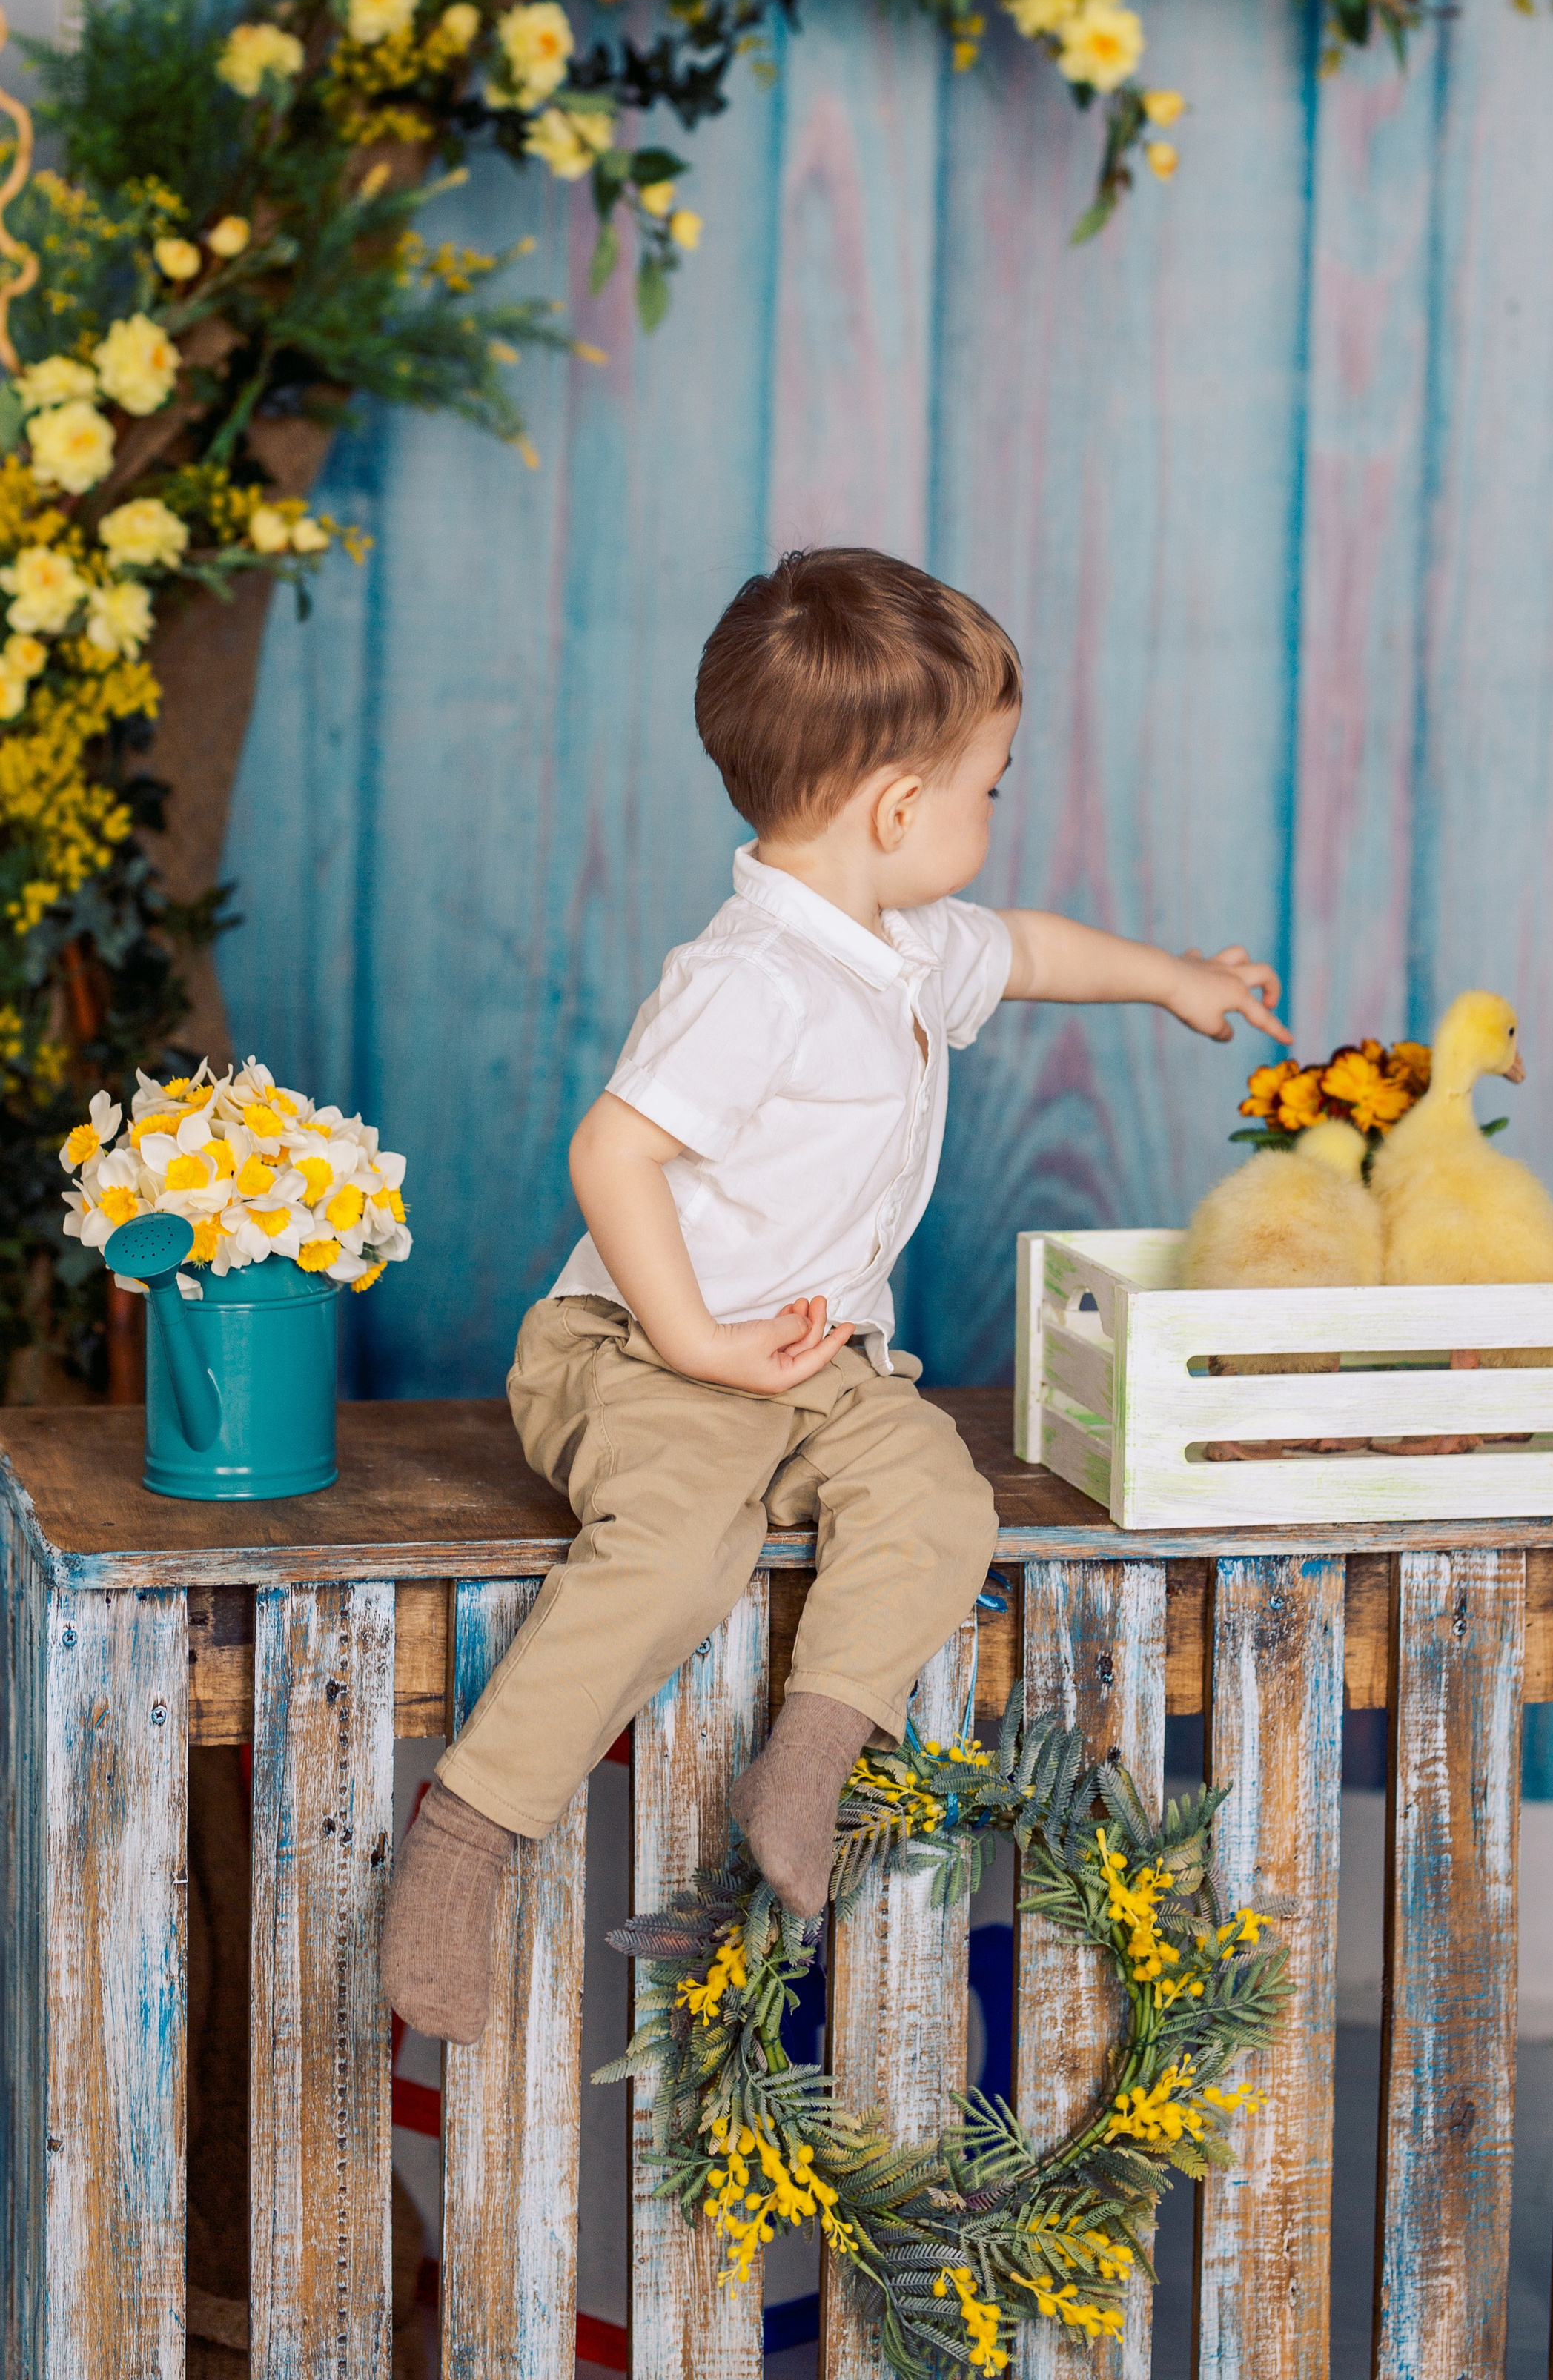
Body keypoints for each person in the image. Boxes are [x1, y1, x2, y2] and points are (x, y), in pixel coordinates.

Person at [380, 546, 1286, 2041]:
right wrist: (695, 1340)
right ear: (897, 810)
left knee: (936, 1503)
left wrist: (1174, 977)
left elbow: (1035, 949)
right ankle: (467, 1838)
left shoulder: (900, 948)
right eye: (990, 787)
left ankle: (801, 1775)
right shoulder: (755, 977)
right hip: (639, 1348)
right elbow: (611, 1152)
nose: (995, 814)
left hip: (812, 1359)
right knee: (679, 1552)